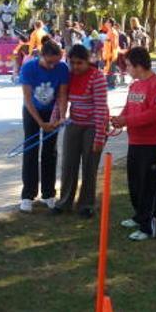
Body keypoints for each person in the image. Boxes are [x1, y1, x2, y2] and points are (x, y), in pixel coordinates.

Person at [111, 46, 156, 240]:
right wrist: (118, 120)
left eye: (128, 65)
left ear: (139, 66)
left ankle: (149, 226)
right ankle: (139, 216)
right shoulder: (134, 85)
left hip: (153, 144)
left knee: (150, 186)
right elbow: (128, 108)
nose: (126, 69)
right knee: (135, 183)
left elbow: (155, 114)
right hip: (135, 142)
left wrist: (126, 121)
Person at [53, 45, 108, 219]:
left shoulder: (97, 77)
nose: (75, 66)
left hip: (94, 125)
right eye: (72, 62)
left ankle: (86, 204)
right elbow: (61, 99)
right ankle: (64, 202)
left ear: (88, 61)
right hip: (74, 123)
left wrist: (99, 136)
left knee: (90, 165)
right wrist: (55, 119)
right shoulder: (68, 76)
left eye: (79, 63)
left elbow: (100, 108)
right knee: (69, 163)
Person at [18, 39, 69, 212]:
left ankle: (48, 193)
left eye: (56, 62)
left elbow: (62, 95)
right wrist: (40, 122)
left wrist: (61, 117)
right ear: (41, 56)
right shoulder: (28, 68)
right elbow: (27, 98)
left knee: (50, 151)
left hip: (52, 113)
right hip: (32, 112)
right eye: (49, 62)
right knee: (30, 150)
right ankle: (27, 195)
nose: (52, 66)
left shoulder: (62, 68)